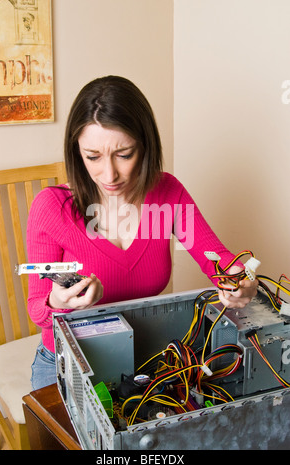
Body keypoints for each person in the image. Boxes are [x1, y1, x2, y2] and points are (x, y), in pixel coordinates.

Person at [27, 75, 258, 390]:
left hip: (144, 357)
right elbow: (37, 310)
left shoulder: (168, 192)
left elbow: (214, 258)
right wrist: (59, 302)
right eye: (92, 156)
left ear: (145, 145)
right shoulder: (52, 207)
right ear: (76, 151)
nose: (109, 174)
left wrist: (238, 279)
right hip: (66, 365)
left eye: (124, 154)